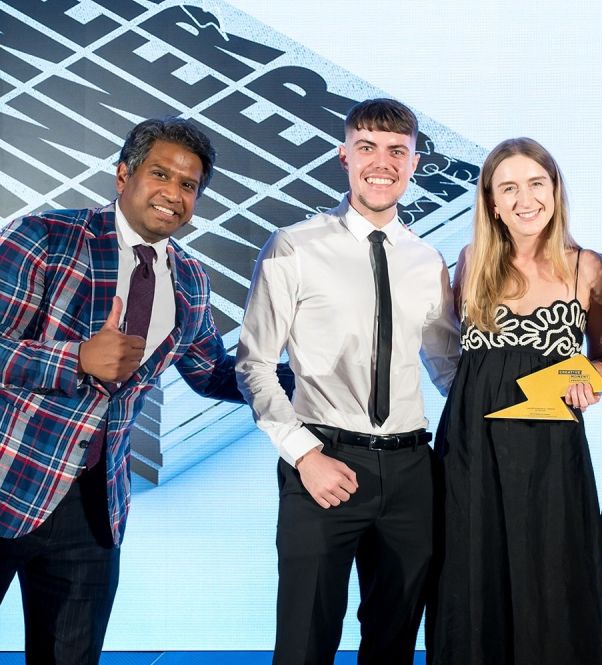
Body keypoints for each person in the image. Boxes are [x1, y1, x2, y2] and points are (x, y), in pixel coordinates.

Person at [0, 117, 248, 664]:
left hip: (94, 510)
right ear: (123, 175)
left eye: (188, 185)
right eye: (161, 174)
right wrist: (75, 358)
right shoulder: (46, 237)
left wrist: (311, 380)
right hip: (8, 479)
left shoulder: (189, 279)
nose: (174, 194)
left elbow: (211, 373)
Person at [236, 98, 460, 665]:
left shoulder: (427, 259)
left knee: (394, 644)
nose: (382, 163)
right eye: (367, 148)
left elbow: (448, 368)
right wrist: (304, 455)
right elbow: (254, 364)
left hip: (411, 472)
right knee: (304, 644)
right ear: (344, 156)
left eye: (397, 152)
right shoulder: (294, 246)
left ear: (413, 164)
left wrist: (516, 411)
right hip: (323, 461)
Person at [427, 137, 602, 665]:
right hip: (472, 447)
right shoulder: (470, 262)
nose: (524, 198)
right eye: (508, 187)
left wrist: (596, 377)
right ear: (491, 201)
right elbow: (451, 355)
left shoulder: (588, 267)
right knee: (470, 572)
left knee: (553, 573)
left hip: (550, 450)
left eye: (536, 183)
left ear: (555, 190)